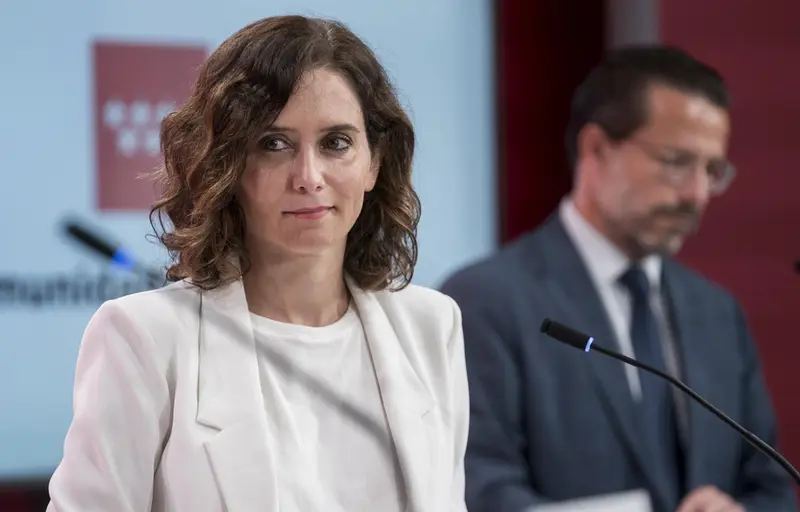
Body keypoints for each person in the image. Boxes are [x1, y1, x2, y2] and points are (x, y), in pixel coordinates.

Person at [46, 15, 468, 512]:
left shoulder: (432, 327)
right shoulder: (142, 337)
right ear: (227, 166)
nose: (309, 176)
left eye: (336, 143)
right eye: (274, 144)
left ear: (373, 162)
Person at [441, 45, 797, 512]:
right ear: (596, 149)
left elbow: (771, 488)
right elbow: (476, 489)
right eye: (676, 162)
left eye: (712, 170)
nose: (697, 194)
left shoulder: (717, 312)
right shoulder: (482, 301)